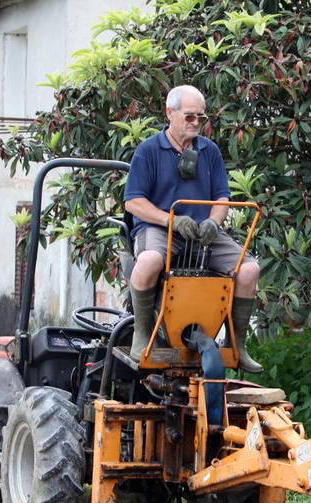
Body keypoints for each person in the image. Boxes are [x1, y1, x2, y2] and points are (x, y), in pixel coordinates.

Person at [123, 84, 262, 372]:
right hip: (161, 228)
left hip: (202, 234)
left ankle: (237, 345)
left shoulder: (209, 151)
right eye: (189, 117)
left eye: (201, 117)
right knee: (150, 261)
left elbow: (222, 197)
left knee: (249, 270)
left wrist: (214, 221)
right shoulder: (148, 150)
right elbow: (133, 202)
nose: (196, 123)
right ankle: (142, 334)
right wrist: (170, 220)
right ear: (169, 113)